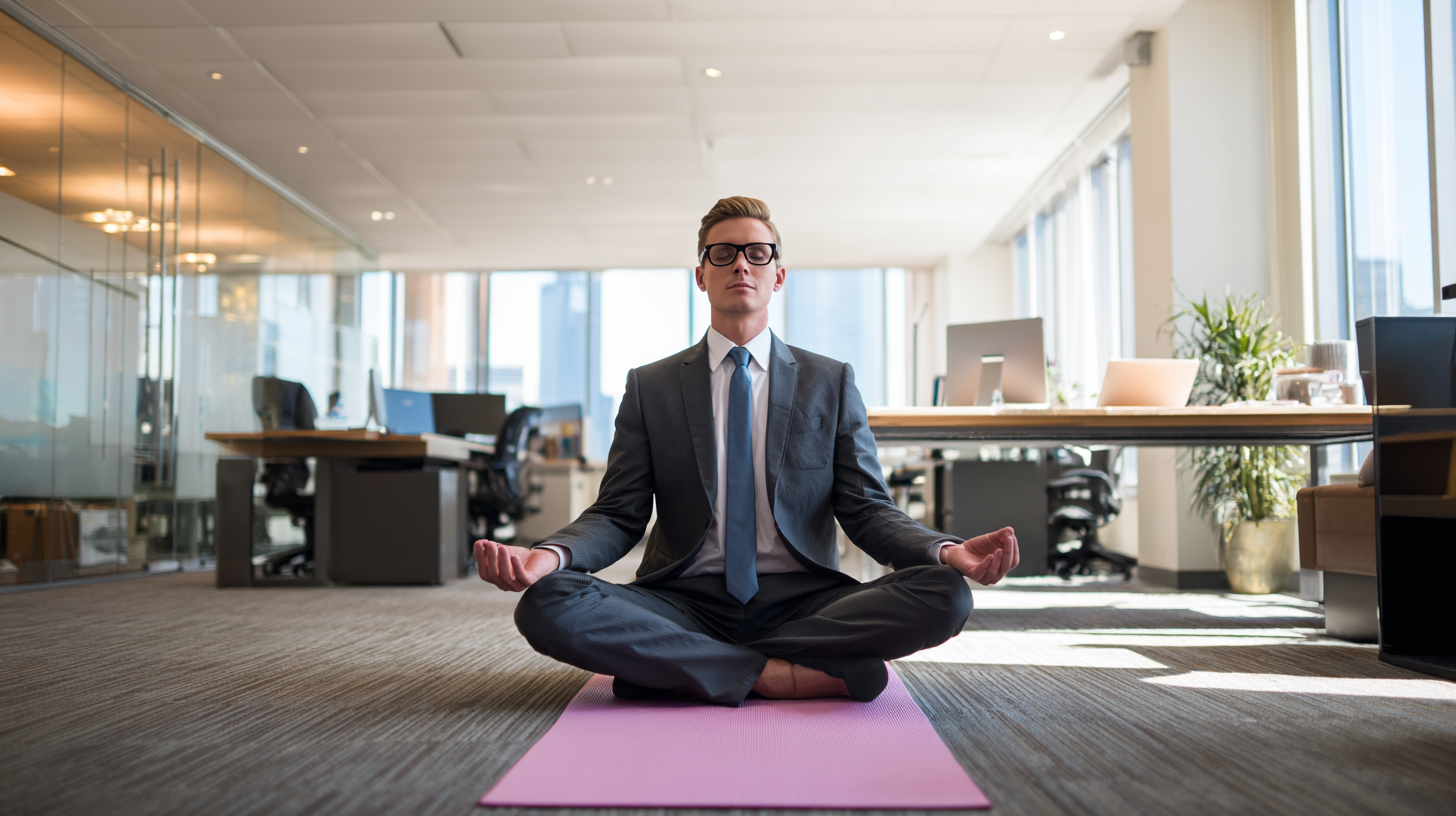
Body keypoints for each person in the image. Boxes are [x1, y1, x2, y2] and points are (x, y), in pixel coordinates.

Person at [475, 196, 1019, 706]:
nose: (742, 265)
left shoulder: (829, 381)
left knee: (945, 595)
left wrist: (948, 551)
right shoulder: (651, 386)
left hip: (805, 600)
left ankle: (685, 672)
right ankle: (776, 674)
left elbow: (867, 509)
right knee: (550, 603)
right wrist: (547, 557)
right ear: (701, 275)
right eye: (724, 253)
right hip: (684, 600)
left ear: (777, 274)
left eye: (758, 254)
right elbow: (619, 514)